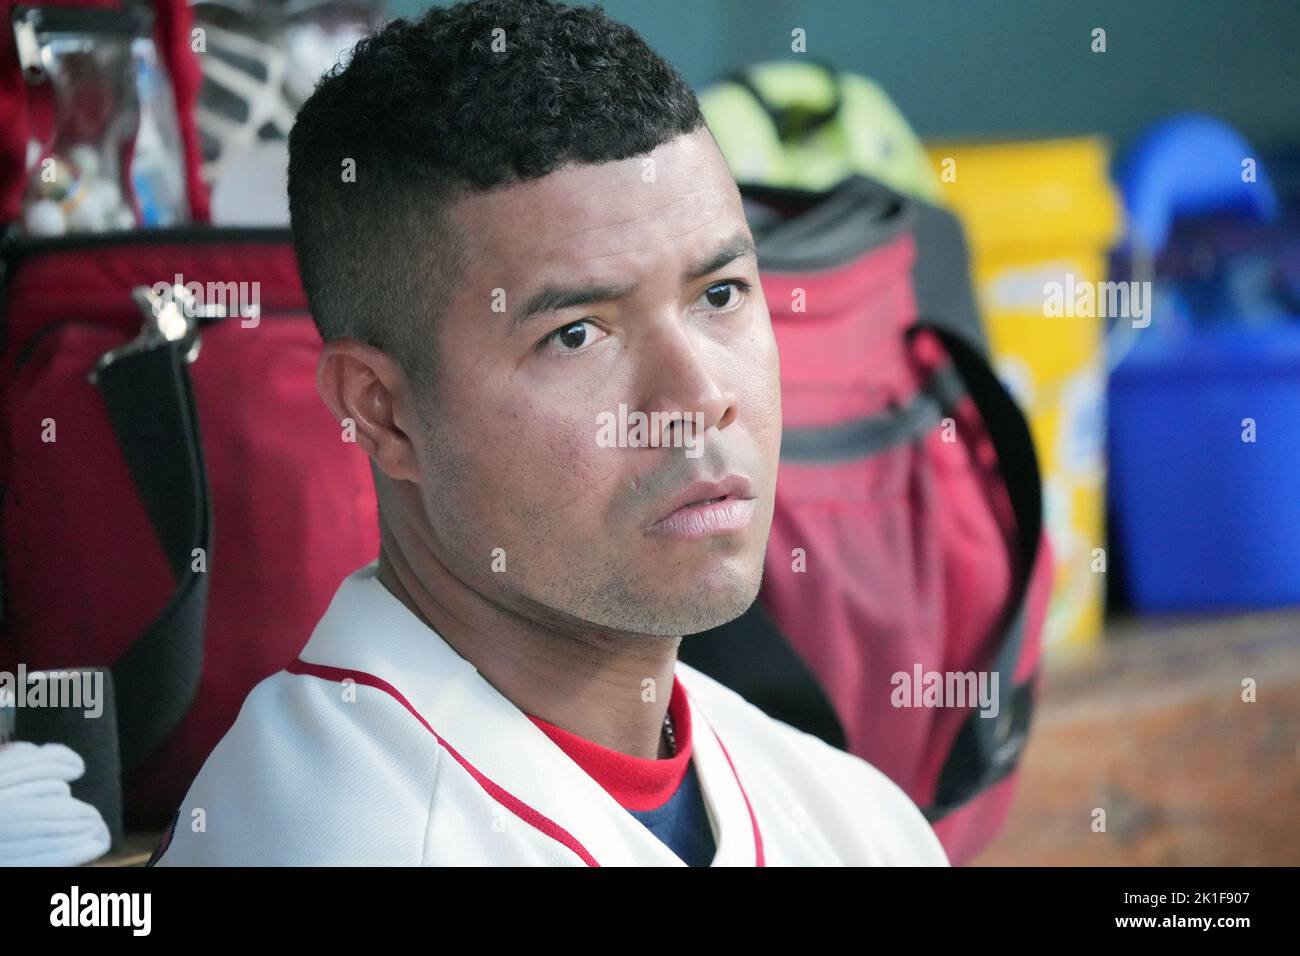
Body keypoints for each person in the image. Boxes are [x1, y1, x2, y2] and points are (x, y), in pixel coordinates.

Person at [152, 0, 949, 867]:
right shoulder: (331, 839)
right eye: (576, 334)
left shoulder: (856, 822)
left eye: (719, 294)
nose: (701, 398)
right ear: (382, 411)